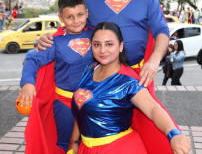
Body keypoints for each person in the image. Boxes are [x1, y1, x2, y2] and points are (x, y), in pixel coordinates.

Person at [37, 0, 177, 153]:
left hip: (139, 76)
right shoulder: (91, 0)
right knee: (97, 128)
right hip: (103, 77)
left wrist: (154, 61)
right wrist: (45, 40)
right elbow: (75, 28)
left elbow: (161, 31)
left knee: (151, 129)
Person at [68, 21, 191, 154]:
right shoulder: (89, 70)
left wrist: (174, 134)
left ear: (121, 46)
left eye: (109, 44)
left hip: (118, 149)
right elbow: (82, 108)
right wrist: (73, 142)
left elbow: (153, 109)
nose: (102, 50)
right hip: (86, 149)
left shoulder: (128, 82)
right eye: (97, 45)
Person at [17, 0, 94, 154]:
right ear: (61, 18)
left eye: (80, 15)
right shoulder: (54, 41)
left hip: (92, 101)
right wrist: (27, 83)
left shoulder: (96, 34)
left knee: (90, 141)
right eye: (70, 17)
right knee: (65, 143)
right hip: (65, 103)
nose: (76, 21)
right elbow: (33, 60)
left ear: (87, 13)